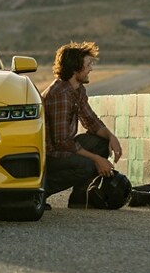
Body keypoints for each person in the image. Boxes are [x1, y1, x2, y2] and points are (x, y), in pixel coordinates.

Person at [40, 41, 124, 210]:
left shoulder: (77, 89)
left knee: (100, 143)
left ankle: (79, 198)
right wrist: (97, 159)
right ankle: (40, 192)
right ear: (75, 69)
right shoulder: (60, 94)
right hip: (49, 154)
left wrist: (111, 137)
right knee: (87, 165)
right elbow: (62, 141)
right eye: (88, 65)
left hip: (62, 148)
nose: (91, 69)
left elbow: (91, 121)